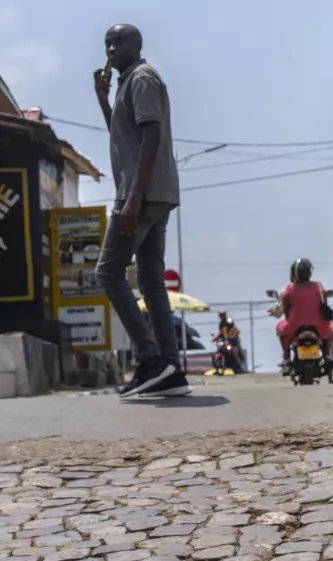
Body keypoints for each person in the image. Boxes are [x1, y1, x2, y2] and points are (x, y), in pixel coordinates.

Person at [94, 24, 190, 399]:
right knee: (150, 280)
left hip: (141, 193)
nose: (112, 48)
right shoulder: (125, 83)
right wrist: (103, 99)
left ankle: (151, 360)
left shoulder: (142, 77)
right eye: (107, 44)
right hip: (153, 192)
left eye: (119, 42)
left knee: (108, 271)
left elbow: (151, 135)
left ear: (137, 46)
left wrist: (133, 198)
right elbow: (124, 135)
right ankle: (170, 369)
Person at [278, 258, 333, 375]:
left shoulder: (290, 289)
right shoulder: (319, 287)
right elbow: (324, 303)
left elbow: (286, 310)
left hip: (294, 326)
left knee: (281, 330)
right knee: (330, 329)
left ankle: (286, 359)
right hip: (319, 326)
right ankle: (326, 355)